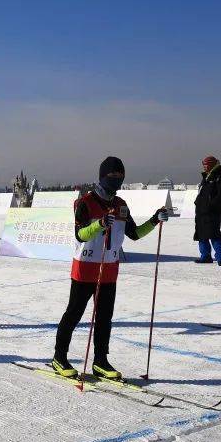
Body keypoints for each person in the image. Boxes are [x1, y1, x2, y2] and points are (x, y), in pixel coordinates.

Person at [51, 157, 169, 380]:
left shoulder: (121, 205)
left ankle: (100, 361)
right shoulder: (85, 203)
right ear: (102, 176)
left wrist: (154, 220)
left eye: (120, 177)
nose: (116, 180)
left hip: (109, 271)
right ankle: (59, 357)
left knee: (105, 317)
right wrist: (100, 224)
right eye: (112, 176)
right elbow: (80, 234)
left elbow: (134, 234)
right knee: (74, 313)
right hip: (85, 268)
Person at [193, 155, 221, 265]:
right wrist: (197, 203)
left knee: (214, 234)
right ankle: (206, 256)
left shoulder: (219, 176)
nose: (204, 167)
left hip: (212, 211)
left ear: (212, 164)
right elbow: (203, 192)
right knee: (201, 234)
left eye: (206, 164)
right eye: (203, 165)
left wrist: (211, 206)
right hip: (201, 211)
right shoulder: (207, 177)